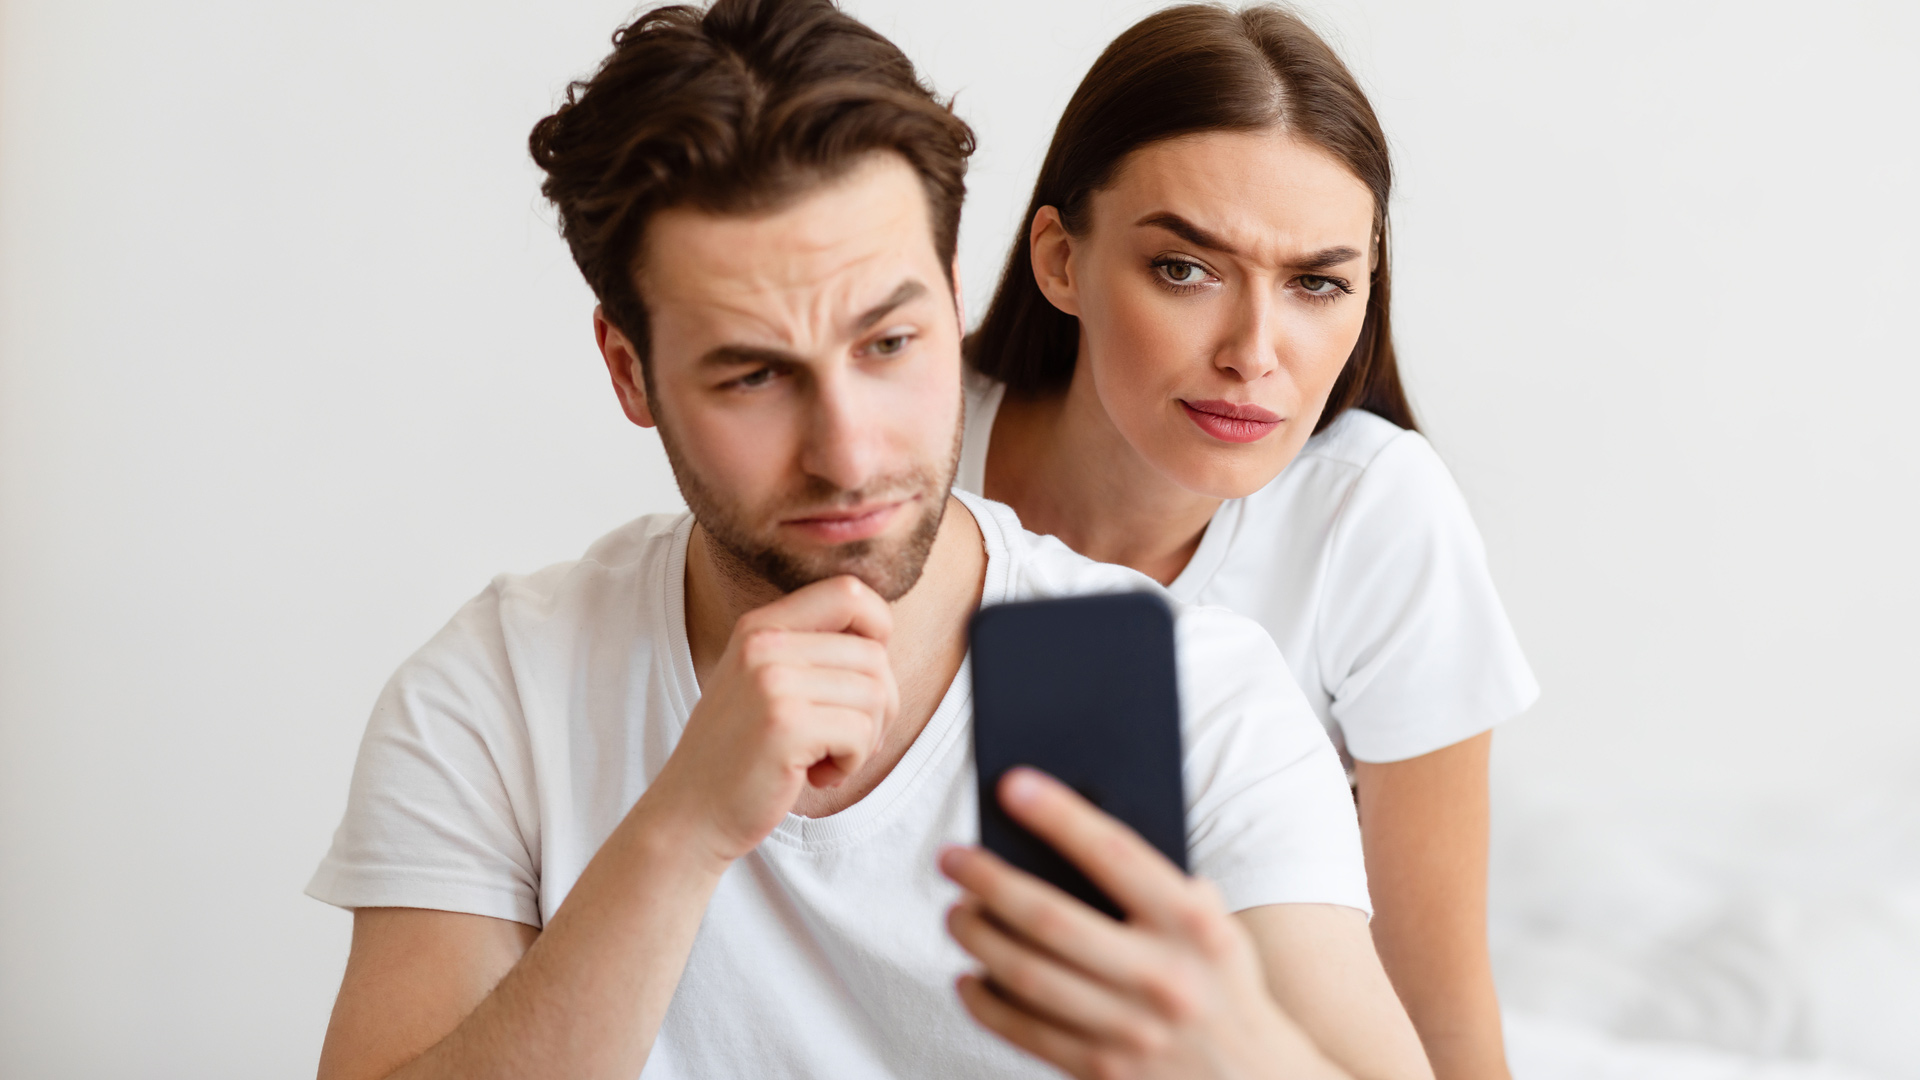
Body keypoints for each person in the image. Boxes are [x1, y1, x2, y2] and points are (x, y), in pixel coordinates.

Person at [305, 2, 1433, 1078]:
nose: (847, 454)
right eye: (753, 374)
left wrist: (1225, 1049)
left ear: (953, 303)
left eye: (889, 343)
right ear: (629, 370)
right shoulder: (502, 688)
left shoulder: (1200, 692)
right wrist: (680, 832)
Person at [958, 6, 1539, 1078]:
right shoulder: (902, 451)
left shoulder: (1375, 514)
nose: (1254, 354)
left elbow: (1436, 1006)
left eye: (1317, 284)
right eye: (1187, 269)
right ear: (1060, 260)